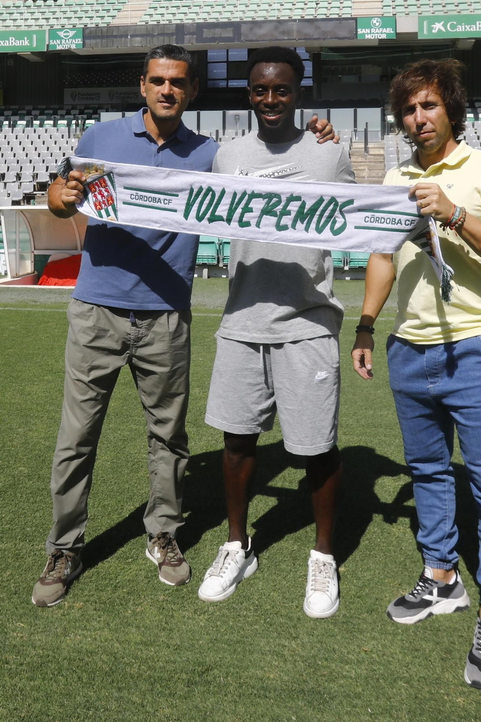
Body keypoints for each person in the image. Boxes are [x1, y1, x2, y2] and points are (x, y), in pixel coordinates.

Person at [33, 45, 333, 608]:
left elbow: (266, 173)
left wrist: (319, 132)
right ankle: (64, 546)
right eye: (157, 81)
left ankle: (163, 534)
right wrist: (61, 197)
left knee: (168, 436)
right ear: (141, 85)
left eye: (178, 83)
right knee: (77, 437)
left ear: (192, 91)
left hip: (168, 314)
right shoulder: (99, 139)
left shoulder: (211, 156)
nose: (167, 90)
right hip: (97, 309)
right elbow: (60, 196)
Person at [349, 59, 481, 690]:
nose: (416, 118)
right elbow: (381, 256)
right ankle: (443, 576)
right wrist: (367, 325)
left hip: (475, 348)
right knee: (427, 471)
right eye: (407, 109)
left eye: (428, 106)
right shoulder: (396, 177)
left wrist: (454, 214)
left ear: (452, 107)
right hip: (410, 348)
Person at [196, 47, 354, 618]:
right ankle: (238, 544)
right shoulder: (226, 155)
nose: (270, 100)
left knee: (315, 447)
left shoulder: (329, 151)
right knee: (237, 440)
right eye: (260, 90)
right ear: (249, 93)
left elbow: (359, 215)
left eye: (281, 90)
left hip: (309, 323)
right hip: (241, 320)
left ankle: (323, 557)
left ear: (298, 92)